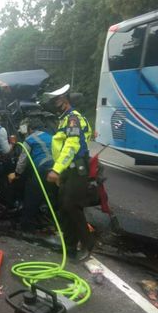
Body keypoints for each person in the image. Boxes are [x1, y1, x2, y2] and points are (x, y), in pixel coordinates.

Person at [44, 84, 94, 261]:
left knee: (72, 207)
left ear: (64, 101)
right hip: (68, 170)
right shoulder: (64, 120)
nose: (53, 104)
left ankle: (87, 245)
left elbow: (72, 146)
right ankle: (69, 246)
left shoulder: (73, 119)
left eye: (55, 101)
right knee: (64, 207)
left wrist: (56, 170)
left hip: (76, 169)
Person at [8, 119, 57, 233]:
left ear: (30, 129)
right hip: (56, 170)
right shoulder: (51, 137)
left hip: (42, 169)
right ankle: (54, 221)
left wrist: (17, 174)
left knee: (31, 196)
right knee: (53, 195)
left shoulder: (30, 139)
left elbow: (23, 160)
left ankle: (26, 227)